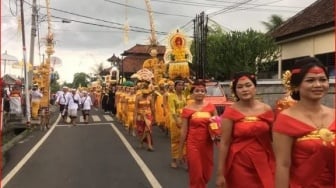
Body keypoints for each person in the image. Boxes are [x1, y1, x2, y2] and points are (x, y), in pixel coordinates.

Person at [273, 57, 335, 188]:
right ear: (296, 85)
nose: (318, 85)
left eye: (323, 80)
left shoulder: (334, 114)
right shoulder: (285, 119)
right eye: (310, 80)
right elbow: (283, 165)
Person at [216, 72, 275, 188]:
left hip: (264, 160)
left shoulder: (266, 109)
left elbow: (275, 139)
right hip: (239, 163)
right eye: (240, 87)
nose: (244, 89)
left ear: (255, 87)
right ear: (235, 91)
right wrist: (220, 173)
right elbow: (224, 143)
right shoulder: (230, 112)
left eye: (248, 85)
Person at [178, 80, 218, 188]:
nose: (200, 93)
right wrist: (180, 150)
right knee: (197, 174)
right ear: (192, 93)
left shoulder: (211, 108)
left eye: (202, 91)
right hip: (193, 144)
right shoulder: (187, 109)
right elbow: (184, 131)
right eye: (197, 91)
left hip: (207, 145)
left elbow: (217, 125)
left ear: (205, 93)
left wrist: (219, 138)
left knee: (206, 173)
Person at [168, 79, 187, 168]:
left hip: (184, 120)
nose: (180, 87)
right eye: (179, 85)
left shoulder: (184, 96)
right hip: (175, 121)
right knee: (176, 141)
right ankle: (174, 160)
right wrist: (177, 120)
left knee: (185, 141)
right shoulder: (171, 96)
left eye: (182, 85)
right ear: (175, 87)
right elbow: (172, 110)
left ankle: (184, 160)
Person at [133, 86, 155, 151]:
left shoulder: (150, 98)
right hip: (140, 115)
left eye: (147, 94)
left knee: (148, 129)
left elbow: (153, 108)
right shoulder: (138, 97)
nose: (146, 95)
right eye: (144, 94)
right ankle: (141, 141)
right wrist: (135, 117)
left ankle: (149, 145)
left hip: (148, 115)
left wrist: (154, 117)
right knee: (141, 130)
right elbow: (136, 108)